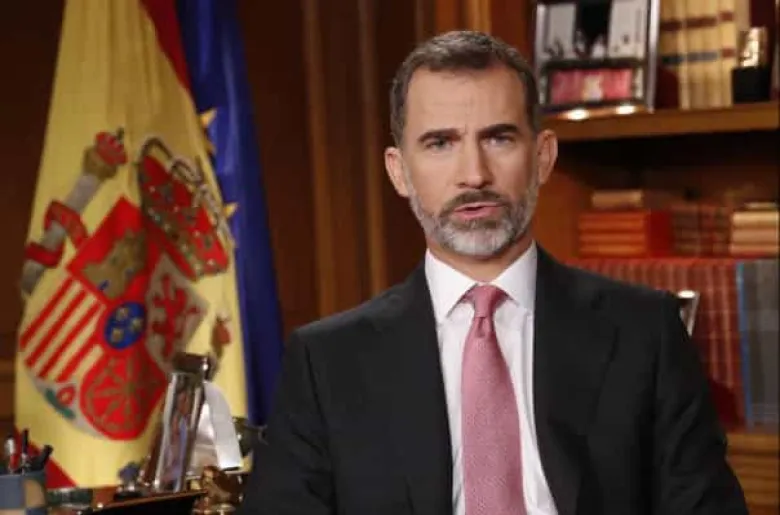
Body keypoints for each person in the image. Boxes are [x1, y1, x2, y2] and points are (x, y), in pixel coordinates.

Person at [238, 30, 748, 515]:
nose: (474, 174)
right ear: (398, 171)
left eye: (499, 138)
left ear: (543, 157)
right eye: (440, 143)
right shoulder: (327, 363)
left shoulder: (645, 333)